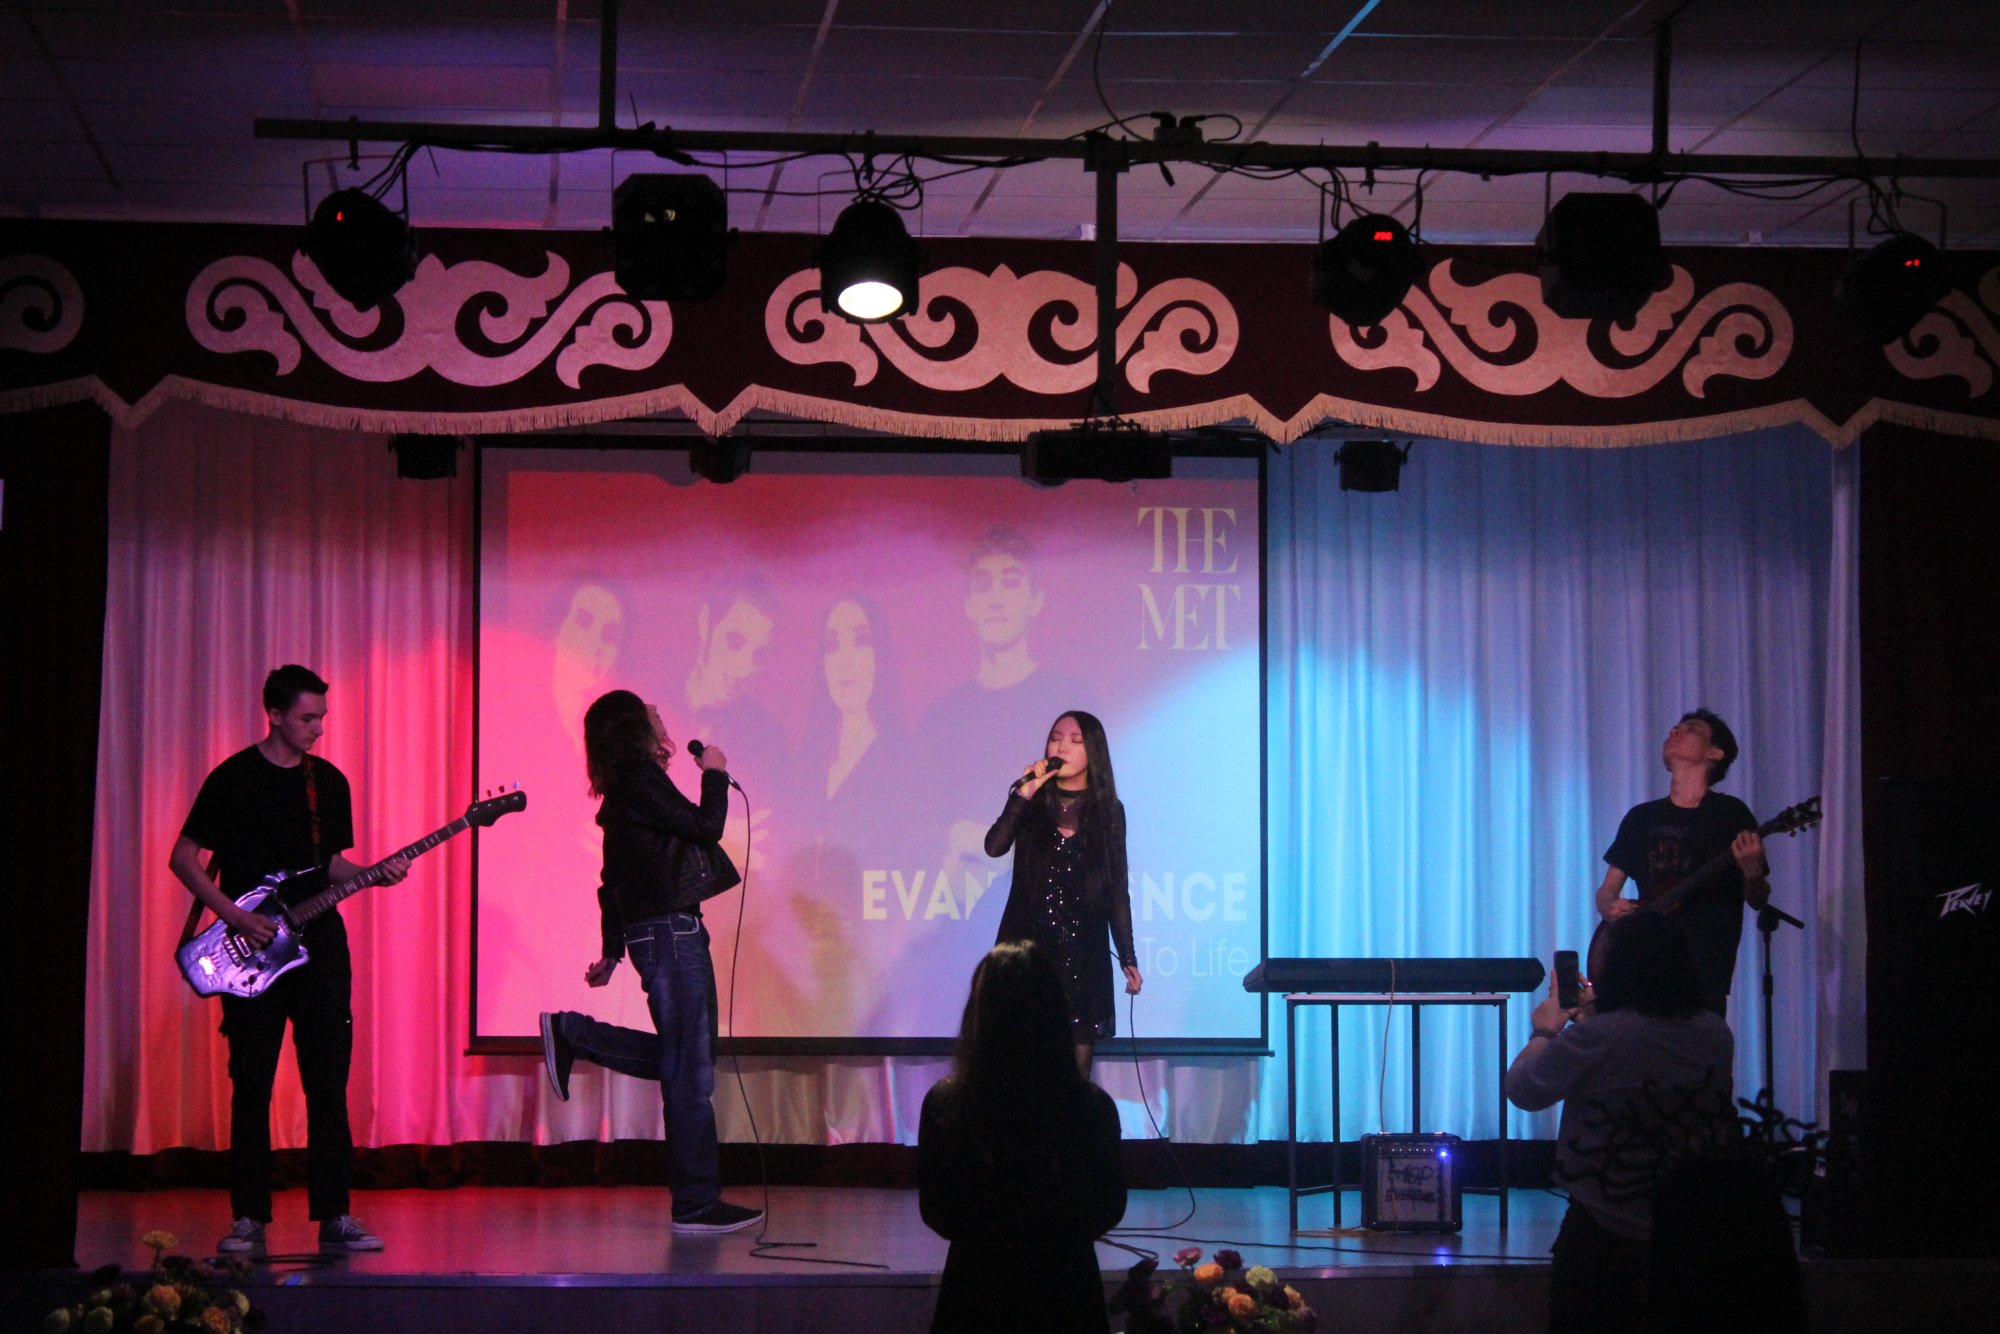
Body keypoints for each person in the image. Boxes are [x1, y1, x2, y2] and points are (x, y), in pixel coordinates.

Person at [167, 664, 410, 1255]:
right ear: (274, 715)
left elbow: (330, 865)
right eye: (307, 718)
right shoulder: (233, 778)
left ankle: (336, 1214)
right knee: (251, 1084)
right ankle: (249, 1217)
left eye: (322, 717)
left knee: (327, 1082)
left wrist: (373, 874)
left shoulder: (327, 782)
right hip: (252, 950)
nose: (318, 729)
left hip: (319, 947)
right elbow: (184, 856)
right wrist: (234, 915)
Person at [537, 688, 762, 1235]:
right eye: (651, 711)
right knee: (689, 1071)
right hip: (670, 933)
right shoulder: (639, 780)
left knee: (689, 1062)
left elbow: (612, 878)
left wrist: (614, 950)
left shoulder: (630, 786)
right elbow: (706, 826)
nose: (660, 714)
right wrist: (714, 773)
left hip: (664, 931)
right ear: (632, 726)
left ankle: (573, 1034)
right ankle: (696, 1203)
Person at [1506, 912, 1737, 1334]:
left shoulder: (1600, 1037)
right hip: (1691, 1229)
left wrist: (1545, 1031)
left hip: (1602, 1231)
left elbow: (1524, 1089)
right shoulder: (1716, 1033)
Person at [919, 941, 1128, 1334]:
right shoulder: (1092, 1106)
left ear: (979, 1014)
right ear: (1055, 1011)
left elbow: (938, 1211)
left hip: (975, 1292)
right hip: (1068, 1290)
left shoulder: (946, 1104)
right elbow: (1107, 1207)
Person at [920, 530, 1084, 886]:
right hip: (959, 894)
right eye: (983, 586)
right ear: (969, 605)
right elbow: (926, 821)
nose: (996, 599)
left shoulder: (1069, 702)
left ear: (1035, 601)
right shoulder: (940, 718)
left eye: (1010, 583)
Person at [984, 710, 1141, 1075]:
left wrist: (1127, 955)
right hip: (1028, 949)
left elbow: (1116, 888)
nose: (1062, 747)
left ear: (1094, 751)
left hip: (1083, 952)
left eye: (1075, 740)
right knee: (1022, 1061)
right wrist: (1025, 792)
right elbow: (994, 846)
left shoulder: (1109, 811)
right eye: (1055, 738)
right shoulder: (1031, 801)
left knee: (1075, 1069)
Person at [1593, 709, 1769, 1017]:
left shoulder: (1730, 814)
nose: (1675, 731)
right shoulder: (1641, 818)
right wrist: (1609, 907)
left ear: (1715, 753)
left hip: (1702, 968)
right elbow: (1608, 890)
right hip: (1644, 962)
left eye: (1691, 729)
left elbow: (1758, 899)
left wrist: (1753, 874)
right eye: (1674, 727)